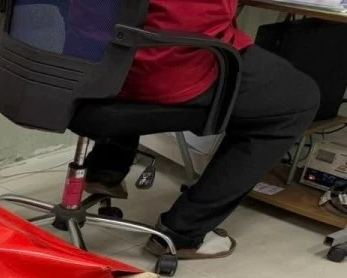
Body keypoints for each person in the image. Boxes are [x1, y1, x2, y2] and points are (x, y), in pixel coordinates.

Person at [83, 0, 321, 260]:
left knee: (130, 27)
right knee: (297, 100)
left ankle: (106, 169)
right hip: (162, 71)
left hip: (83, 68)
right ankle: (183, 232)